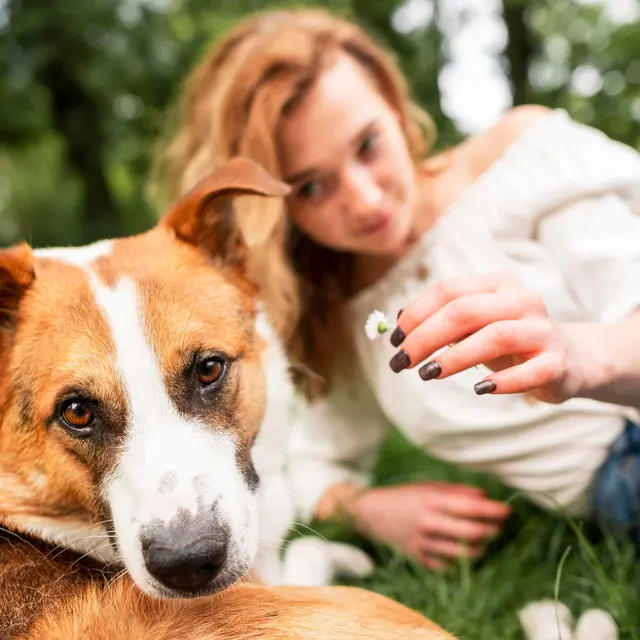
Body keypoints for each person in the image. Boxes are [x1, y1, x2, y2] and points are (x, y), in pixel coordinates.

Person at [152, 8, 640, 570]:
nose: (364, 201)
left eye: (367, 146)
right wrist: (366, 508)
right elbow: (302, 461)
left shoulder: (520, 165)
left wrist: (577, 358)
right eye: (311, 187)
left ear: (390, 100)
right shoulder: (340, 310)